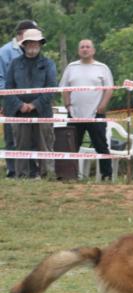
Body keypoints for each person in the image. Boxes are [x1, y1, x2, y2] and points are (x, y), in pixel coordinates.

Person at [4, 28, 56, 179]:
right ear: (24, 44)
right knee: (20, 146)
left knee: (45, 145)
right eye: (30, 42)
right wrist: (20, 105)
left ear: (41, 44)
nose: (33, 45)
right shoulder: (14, 64)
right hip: (19, 112)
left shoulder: (48, 64)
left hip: (43, 112)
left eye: (36, 42)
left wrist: (34, 104)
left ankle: (47, 176)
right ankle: (21, 177)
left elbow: (51, 88)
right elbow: (8, 89)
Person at [59, 39, 114, 180]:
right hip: (75, 114)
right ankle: (68, 176)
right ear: (79, 51)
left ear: (93, 50)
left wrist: (102, 106)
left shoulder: (102, 68)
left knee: (101, 145)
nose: (85, 49)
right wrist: (68, 105)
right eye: (82, 47)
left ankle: (106, 175)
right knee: (71, 146)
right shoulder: (71, 67)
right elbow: (64, 88)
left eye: (88, 47)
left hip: (96, 114)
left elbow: (109, 89)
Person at [0, 20, 40, 178]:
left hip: (32, 102)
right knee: (12, 136)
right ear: (23, 33)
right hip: (12, 101)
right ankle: (13, 170)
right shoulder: (4, 52)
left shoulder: (32, 50)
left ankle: (31, 170)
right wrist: (10, 99)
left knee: (31, 136)